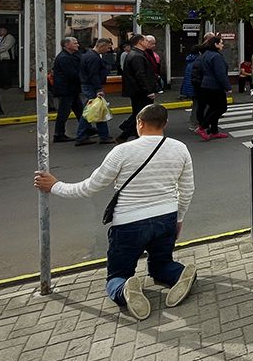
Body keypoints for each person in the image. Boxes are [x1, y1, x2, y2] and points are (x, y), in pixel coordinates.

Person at [35, 104, 196, 321]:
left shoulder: (122, 151)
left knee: (117, 275)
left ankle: (124, 289)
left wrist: (55, 186)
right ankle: (179, 274)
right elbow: (187, 190)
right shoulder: (180, 148)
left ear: (139, 123)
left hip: (129, 224)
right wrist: (179, 219)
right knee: (161, 264)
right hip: (165, 219)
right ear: (165, 124)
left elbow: (90, 187)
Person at [118, 35, 159, 143]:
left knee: (139, 114)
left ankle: (137, 135)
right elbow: (140, 75)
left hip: (137, 90)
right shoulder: (137, 56)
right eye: (146, 40)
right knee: (141, 114)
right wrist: (148, 91)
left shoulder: (136, 54)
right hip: (139, 91)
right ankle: (124, 135)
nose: (148, 42)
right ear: (140, 42)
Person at [76, 38, 115, 146]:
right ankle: (82, 136)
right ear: (101, 46)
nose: (108, 50)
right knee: (91, 111)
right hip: (92, 87)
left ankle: (103, 135)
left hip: (89, 86)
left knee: (98, 110)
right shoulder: (93, 58)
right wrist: (98, 89)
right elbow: (94, 74)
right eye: (107, 47)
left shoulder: (88, 55)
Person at [193, 35, 231, 141]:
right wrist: (227, 86)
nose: (223, 45)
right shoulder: (216, 56)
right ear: (216, 44)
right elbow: (220, 73)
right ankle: (202, 127)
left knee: (213, 107)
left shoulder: (206, 54)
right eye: (221, 43)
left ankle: (214, 131)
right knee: (221, 108)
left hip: (205, 85)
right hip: (215, 86)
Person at [51, 37, 83, 141]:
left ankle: (86, 128)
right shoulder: (64, 58)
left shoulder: (72, 55)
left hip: (72, 89)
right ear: (66, 45)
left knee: (80, 110)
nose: (77, 45)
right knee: (64, 112)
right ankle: (58, 134)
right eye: (74, 43)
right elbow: (72, 74)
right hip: (66, 90)